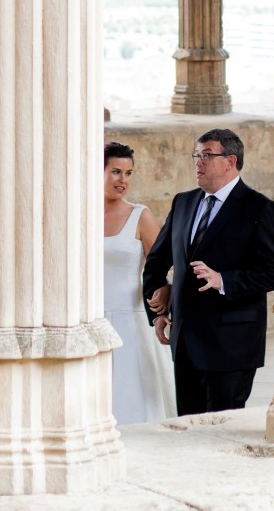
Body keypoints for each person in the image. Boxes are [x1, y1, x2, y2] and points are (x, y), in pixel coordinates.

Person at [142, 127, 274, 416]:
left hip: (231, 346)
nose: (198, 162)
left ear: (230, 161)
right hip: (184, 343)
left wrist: (224, 281)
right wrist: (158, 312)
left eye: (207, 155)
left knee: (222, 430)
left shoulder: (260, 208)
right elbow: (156, 261)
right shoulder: (183, 202)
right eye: (196, 154)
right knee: (188, 428)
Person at [103, 141, 175, 425]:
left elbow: (162, 264)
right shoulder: (79, 214)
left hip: (130, 319)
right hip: (90, 317)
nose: (123, 180)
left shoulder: (140, 216)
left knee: (134, 397)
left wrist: (166, 292)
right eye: (116, 172)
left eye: (129, 173)